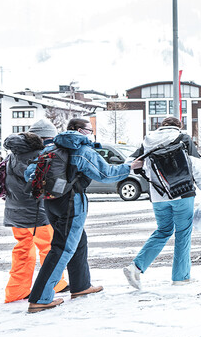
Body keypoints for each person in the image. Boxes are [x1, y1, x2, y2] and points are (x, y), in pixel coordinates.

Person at [24, 118, 139, 313]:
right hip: (72, 203)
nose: (91, 133)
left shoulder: (50, 148)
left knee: (78, 241)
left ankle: (81, 286)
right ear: (79, 130)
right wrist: (130, 167)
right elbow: (106, 174)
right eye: (89, 129)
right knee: (62, 248)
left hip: (50, 201)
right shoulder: (82, 150)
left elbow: (29, 174)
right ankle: (40, 298)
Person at [122, 117, 201, 289]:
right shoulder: (184, 139)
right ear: (179, 126)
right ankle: (180, 277)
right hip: (183, 193)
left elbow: (129, 163)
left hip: (158, 196)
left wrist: (145, 168)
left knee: (163, 231)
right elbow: (196, 168)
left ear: (161, 126)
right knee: (183, 234)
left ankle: (136, 267)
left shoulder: (148, 141)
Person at [1, 127, 68, 303]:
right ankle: (54, 285)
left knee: (22, 250)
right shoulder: (39, 156)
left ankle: (16, 291)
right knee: (49, 249)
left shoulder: (11, 156)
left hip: (14, 212)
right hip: (36, 213)